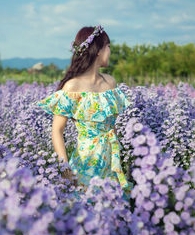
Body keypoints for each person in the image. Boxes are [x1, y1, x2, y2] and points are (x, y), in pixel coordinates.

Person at [35, 25, 134, 201]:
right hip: (86, 160)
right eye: (108, 47)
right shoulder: (72, 86)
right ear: (98, 50)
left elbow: (112, 127)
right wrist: (64, 167)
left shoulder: (110, 83)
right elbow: (57, 130)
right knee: (84, 209)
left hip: (110, 160)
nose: (110, 51)